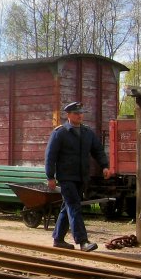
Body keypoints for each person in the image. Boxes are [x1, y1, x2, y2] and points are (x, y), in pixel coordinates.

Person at [44, 101, 111, 252]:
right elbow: (50, 156)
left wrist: (105, 166)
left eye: (81, 113)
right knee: (74, 206)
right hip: (66, 177)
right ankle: (83, 241)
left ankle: (58, 239)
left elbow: (97, 150)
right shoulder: (60, 132)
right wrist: (50, 176)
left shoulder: (87, 132)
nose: (80, 116)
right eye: (76, 113)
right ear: (68, 115)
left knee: (67, 207)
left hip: (82, 177)